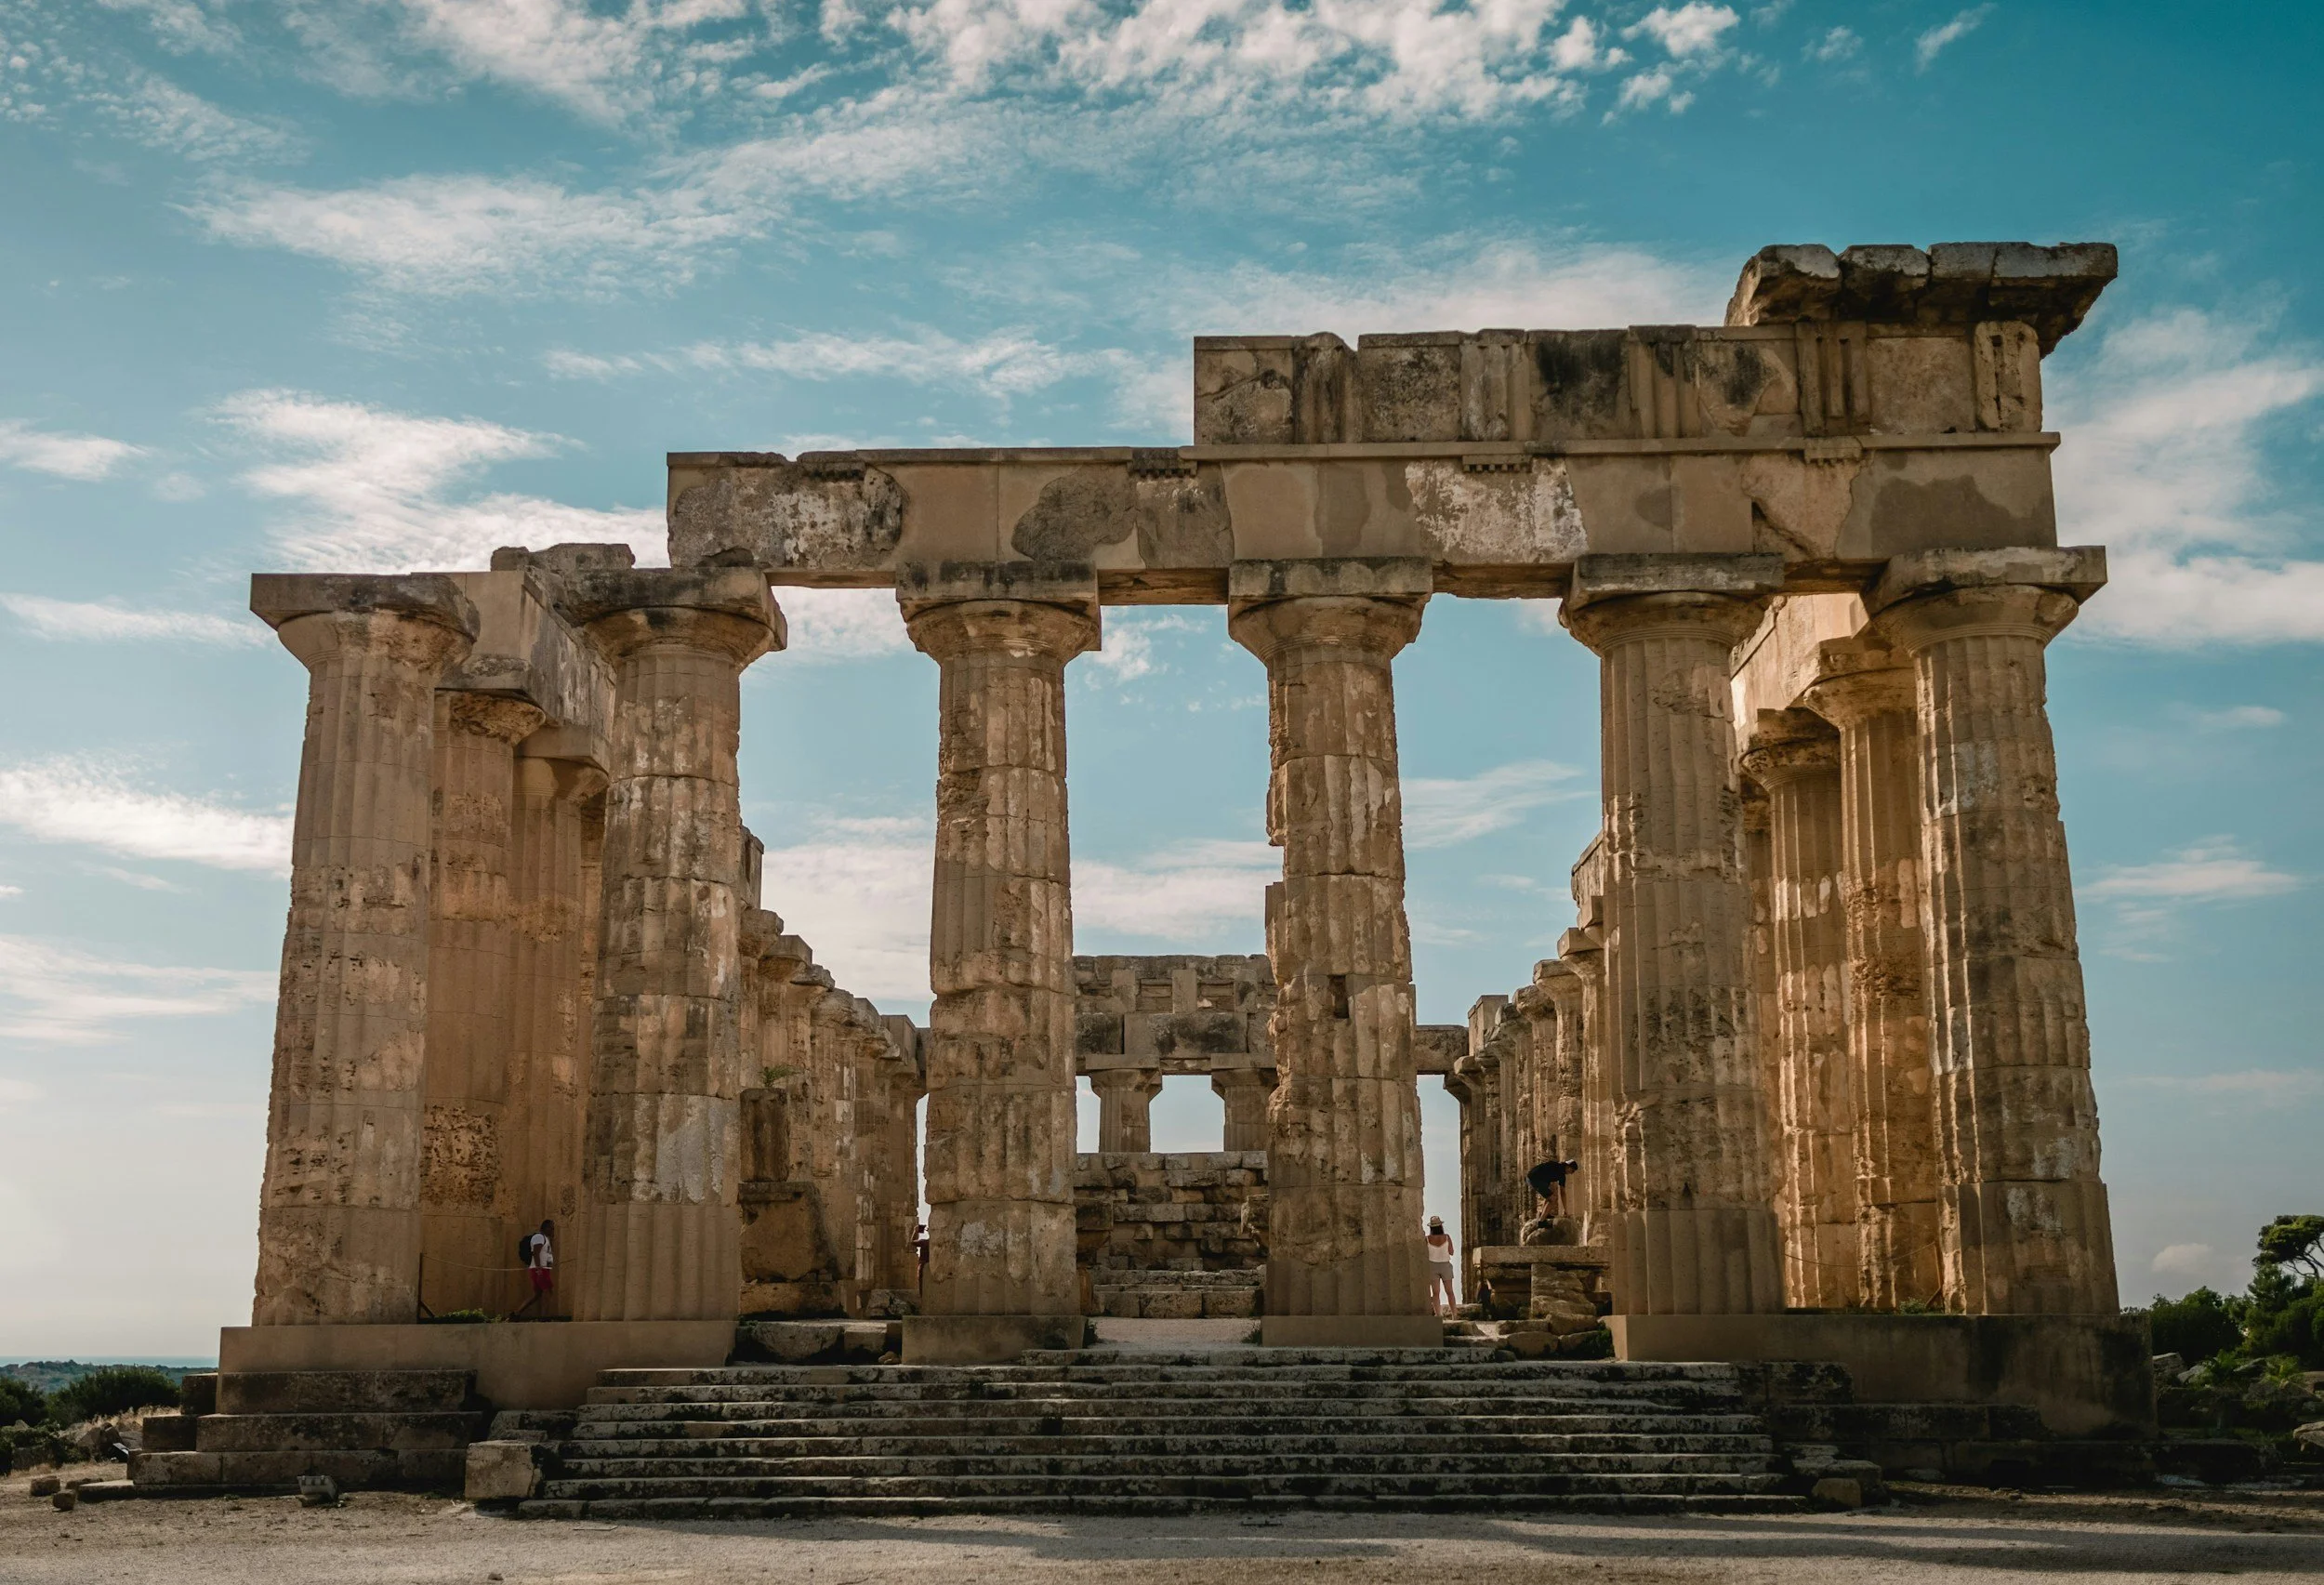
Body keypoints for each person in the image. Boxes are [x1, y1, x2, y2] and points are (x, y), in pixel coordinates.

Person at [516, 1219, 556, 1318]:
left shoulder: (544, 1238)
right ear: (546, 1228)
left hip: (540, 1269)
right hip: (540, 1269)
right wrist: (539, 1270)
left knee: (537, 1294)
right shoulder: (539, 1237)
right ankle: (544, 1317)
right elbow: (536, 1253)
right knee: (548, 1291)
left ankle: (517, 1313)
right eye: (551, 1228)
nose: (552, 1231)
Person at [1424, 1217, 1458, 1316]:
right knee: (1450, 1292)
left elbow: (1424, 1254)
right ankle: (1454, 1314)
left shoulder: (1427, 1239)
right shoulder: (1447, 1237)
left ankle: (1438, 1315)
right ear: (1441, 1226)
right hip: (1445, 1265)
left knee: (1435, 1293)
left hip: (1432, 1266)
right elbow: (1451, 1252)